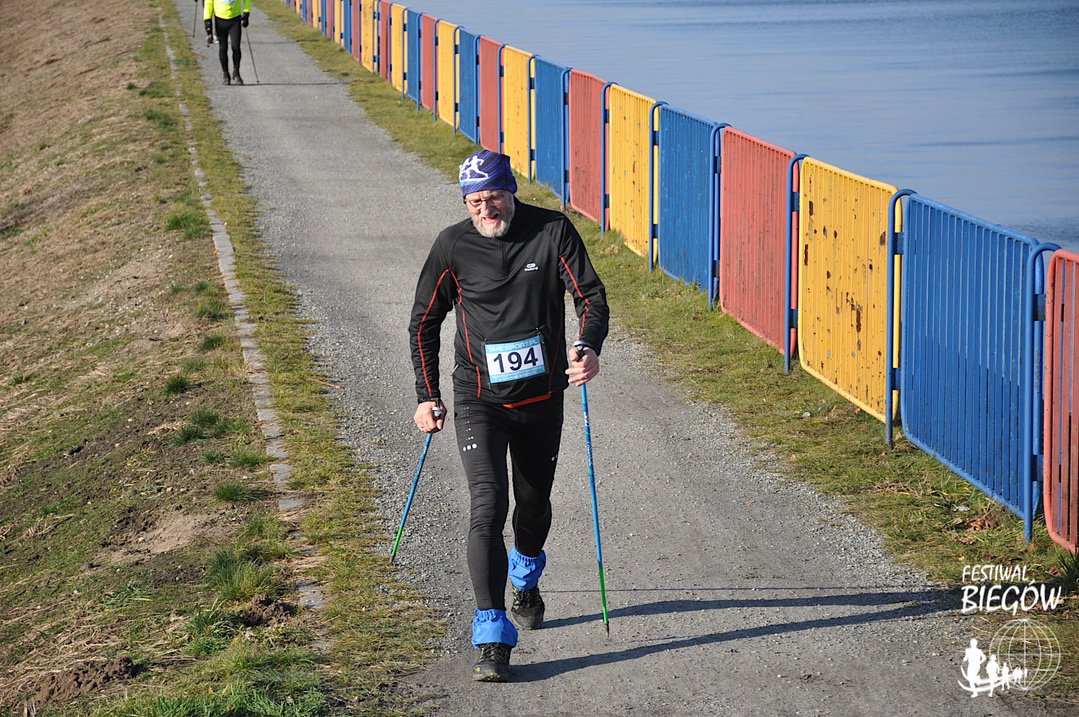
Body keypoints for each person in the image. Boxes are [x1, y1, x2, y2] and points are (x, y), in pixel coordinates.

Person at [408, 150, 609, 682]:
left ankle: (526, 573)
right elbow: (424, 322)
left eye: (493, 197)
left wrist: (588, 346)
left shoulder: (552, 231)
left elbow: (591, 297)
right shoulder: (452, 245)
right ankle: (491, 635)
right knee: (487, 505)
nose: (485, 210)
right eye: (474, 202)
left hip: (541, 398)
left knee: (533, 505)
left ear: (511, 190)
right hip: (478, 398)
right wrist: (427, 395)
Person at [204, 0, 251, 85]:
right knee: (223, 48)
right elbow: (208, 3)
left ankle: (236, 73)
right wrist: (207, 21)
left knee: (236, 47)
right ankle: (225, 74)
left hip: (235, 18)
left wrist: (247, 12)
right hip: (220, 19)